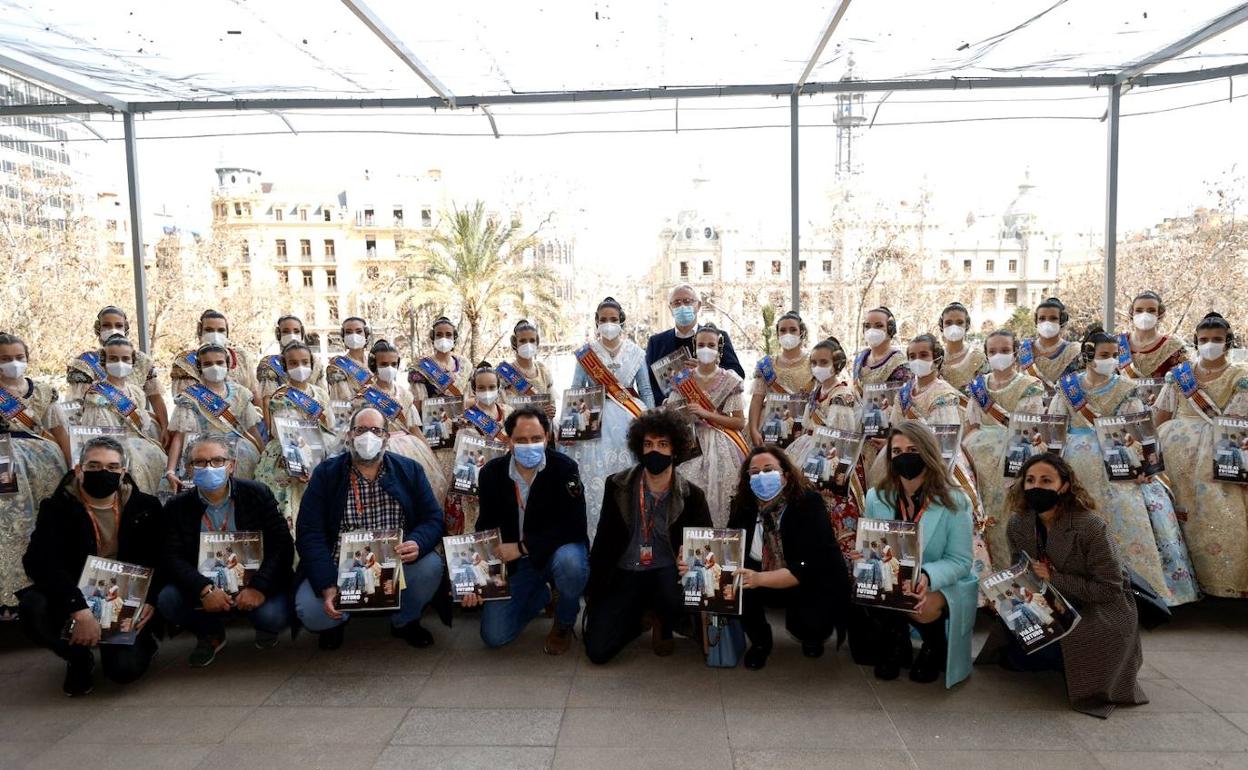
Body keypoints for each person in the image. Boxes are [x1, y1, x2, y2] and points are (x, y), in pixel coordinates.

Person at [976, 454, 1148, 718]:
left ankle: (1076, 664)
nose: (1036, 487)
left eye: (1046, 480)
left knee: (1068, 649)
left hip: (1097, 608)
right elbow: (1020, 570)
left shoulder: (1090, 526)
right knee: (1019, 655)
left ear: (1064, 485)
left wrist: (1054, 578)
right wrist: (1005, 593)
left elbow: (1110, 588)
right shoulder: (1019, 523)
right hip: (1047, 602)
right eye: (1030, 480)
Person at [1048, 327, 1197, 606]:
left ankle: (1135, 591)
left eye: (1115, 355)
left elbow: (1142, 431)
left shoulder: (1127, 389)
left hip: (1117, 462)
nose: (1111, 360)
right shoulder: (1067, 387)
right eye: (1105, 355)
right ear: (1088, 355)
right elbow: (1055, 426)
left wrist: (1144, 465)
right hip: (1073, 462)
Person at [294, 406, 446, 650]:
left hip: (396, 563)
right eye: (361, 430)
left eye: (376, 430)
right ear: (349, 436)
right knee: (311, 611)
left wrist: (418, 541)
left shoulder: (409, 470)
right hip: (339, 566)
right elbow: (309, 532)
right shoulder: (326, 474)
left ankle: (404, 621)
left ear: (386, 437)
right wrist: (327, 584)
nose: (368, 437)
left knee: (430, 566)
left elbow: (433, 518)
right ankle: (335, 621)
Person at [19, 437, 161, 696]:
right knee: (33, 606)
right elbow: (40, 562)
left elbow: (160, 556)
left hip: (124, 598)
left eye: (112, 467)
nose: (103, 473)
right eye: (94, 466)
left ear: (123, 472)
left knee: (123, 671)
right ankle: (77, 656)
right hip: (77, 592)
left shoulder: (146, 506)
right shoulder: (56, 508)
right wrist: (79, 610)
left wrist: (150, 599)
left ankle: (143, 642)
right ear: (78, 470)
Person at [584, 409, 711, 664]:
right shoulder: (617, 485)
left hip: (667, 573)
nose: (655, 451)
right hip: (626, 570)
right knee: (597, 651)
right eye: (648, 444)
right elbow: (604, 541)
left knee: (674, 599)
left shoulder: (692, 495)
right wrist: (595, 591)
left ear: (675, 450)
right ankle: (640, 616)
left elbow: (706, 548)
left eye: (663, 444)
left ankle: (663, 619)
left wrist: (693, 562)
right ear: (639, 448)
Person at [157, 435, 294, 666]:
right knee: (167, 599)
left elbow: (281, 544)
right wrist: (203, 589)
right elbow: (172, 556)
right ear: (189, 470)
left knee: (272, 617)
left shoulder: (257, 494)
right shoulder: (177, 506)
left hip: (255, 582)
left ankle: (262, 624)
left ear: (231, 466)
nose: (209, 467)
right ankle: (209, 632)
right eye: (200, 462)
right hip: (206, 584)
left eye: (217, 461)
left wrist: (259, 587)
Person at [861, 420, 977, 688]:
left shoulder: (955, 501)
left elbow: (961, 561)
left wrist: (926, 575)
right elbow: (873, 546)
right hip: (893, 574)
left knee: (920, 602)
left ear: (928, 452)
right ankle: (896, 643)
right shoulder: (875, 497)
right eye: (897, 451)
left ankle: (934, 646)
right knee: (868, 587)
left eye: (912, 449)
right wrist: (864, 557)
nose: (904, 457)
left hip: (941, 580)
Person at [470, 406, 590, 654]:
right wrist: (479, 577)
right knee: (494, 636)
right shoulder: (491, 473)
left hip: (556, 553)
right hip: (516, 564)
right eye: (521, 440)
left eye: (536, 439)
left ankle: (564, 622)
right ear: (510, 442)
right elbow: (486, 526)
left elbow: (574, 525)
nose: (529, 445)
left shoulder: (564, 468)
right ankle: (541, 596)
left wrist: (524, 547)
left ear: (547, 437)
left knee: (572, 565)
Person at [719, 445, 849, 669]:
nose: (761, 476)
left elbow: (808, 566)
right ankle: (761, 642)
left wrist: (759, 579)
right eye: (755, 472)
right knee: (735, 587)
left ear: (785, 475)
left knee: (811, 624)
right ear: (747, 478)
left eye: (769, 469)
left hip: (807, 580)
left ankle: (812, 636)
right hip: (758, 577)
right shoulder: (742, 507)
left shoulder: (809, 504)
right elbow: (731, 549)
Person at [877, 334, 992, 576]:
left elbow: (945, 438)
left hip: (939, 458)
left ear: (936, 358)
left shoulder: (944, 393)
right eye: (912, 356)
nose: (917, 360)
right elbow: (896, 424)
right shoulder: (905, 392)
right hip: (906, 456)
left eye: (923, 355)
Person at [1155, 312, 1248, 598]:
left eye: (1217, 339)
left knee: (1219, 512)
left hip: (1221, 451)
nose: (1210, 344)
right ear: (1196, 341)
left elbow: (1238, 420)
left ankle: (1220, 582)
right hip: (1173, 453)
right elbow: (1161, 414)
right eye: (1205, 339)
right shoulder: (1179, 375)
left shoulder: (1240, 376)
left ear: (1227, 342)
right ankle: (1180, 583)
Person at [563, 297, 656, 539]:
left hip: (630, 420)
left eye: (613, 319)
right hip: (594, 422)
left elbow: (645, 390)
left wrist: (653, 422)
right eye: (603, 320)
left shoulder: (636, 352)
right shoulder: (586, 354)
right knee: (596, 481)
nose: (608, 324)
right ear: (596, 322)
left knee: (630, 479)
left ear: (621, 322)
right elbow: (576, 388)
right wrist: (570, 426)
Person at [963, 329, 1047, 568]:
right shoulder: (979, 387)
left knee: (1008, 517)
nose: (998, 355)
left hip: (1013, 457)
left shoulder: (1029, 386)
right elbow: (970, 424)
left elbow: (1030, 428)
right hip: (976, 460)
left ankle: (1013, 572)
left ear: (1015, 352)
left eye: (1004, 350)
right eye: (993, 351)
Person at [0, 333, 70, 615]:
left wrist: (72, 465)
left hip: (43, 462)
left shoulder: (43, 391)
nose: (13, 364)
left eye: (19, 357)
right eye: (5, 359)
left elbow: (59, 431)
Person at [781, 336, 863, 555]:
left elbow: (840, 437)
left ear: (836, 364)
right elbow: (808, 424)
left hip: (831, 458)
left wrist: (826, 471)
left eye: (824, 362)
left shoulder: (841, 395)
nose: (818, 367)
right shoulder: (816, 392)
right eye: (814, 362)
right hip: (808, 450)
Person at [664, 323, 748, 526]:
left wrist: (706, 413)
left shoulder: (730, 380)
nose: (705, 349)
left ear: (719, 347)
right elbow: (673, 415)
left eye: (711, 345)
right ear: (694, 346)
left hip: (721, 443)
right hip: (690, 442)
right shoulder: (683, 379)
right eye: (701, 344)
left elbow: (739, 422)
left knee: (720, 498)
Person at [350, 339, 448, 502]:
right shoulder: (365, 396)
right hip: (377, 447)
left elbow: (414, 428)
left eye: (393, 363)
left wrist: (430, 455)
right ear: (374, 365)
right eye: (384, 364)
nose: (389, 368)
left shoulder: (405, 394)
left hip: (410, 448)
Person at [254, 340, 338, 525]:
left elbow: (330, 424)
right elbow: (285, 432)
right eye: (293, 363)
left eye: (304, 362)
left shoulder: (320, 393)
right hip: (290, 455)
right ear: (285, 366)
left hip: (320, 450)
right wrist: (300, 464)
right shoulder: (280, 397)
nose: (300, 367)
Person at [78, 336, 167, 495]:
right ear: (104, 363)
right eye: (113, 358)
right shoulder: (97, 395)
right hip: (116, 448)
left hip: (143, 445)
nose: (120, 363)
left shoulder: (136, 391)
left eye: (125, 359)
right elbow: (101, 434)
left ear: (132, 362)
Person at [165, 343, 265, 486]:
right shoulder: (191, 397)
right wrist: (170, 471)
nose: (214, 367)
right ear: (200, 367)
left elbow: (252, 430)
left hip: (241, 454)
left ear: (227, 364)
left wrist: (264, 456)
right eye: (208, 364)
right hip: (204, 454)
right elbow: (179, 437)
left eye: (219, 362)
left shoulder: (240, 393)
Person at [67, 306, 168, 436]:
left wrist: (165, 427)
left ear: (125, 329)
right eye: (107, 326)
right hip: (100, 428)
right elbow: (77, 409)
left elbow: (156, 398)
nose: (113, 330)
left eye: (118, 325)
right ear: (98, 329)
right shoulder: (85, 363)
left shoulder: (142, 361)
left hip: (137, 429)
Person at [646, 284, 744, 405]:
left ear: (698, 305)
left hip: (711, 411)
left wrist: (710, 370)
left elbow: (738, 373)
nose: (682, 306)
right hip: (669, 415)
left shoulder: (718, 337)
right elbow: (647, 382)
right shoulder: (656, 342)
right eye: (676, 302)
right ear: (670, 308)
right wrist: (664, 402)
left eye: (687, 301)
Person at [445, 363, 513, 534]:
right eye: (481, 387)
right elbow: (461, 458)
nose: (487, 392)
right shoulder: (466, 419)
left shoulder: (509, 412)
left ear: (498, 388)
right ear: (474, 389)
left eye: (491, 387)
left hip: (506, 477)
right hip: (476, 483)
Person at [854, 307, 911, 476]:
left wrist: (893, 439)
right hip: (861, 435)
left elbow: (903, 406)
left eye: (879, 325)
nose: (872, 330)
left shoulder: (899, 363)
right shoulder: (859, 359)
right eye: (868, 326)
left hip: (886, 437)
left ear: (890, 329)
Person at [747, 311, 812, 446]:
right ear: (777, 335)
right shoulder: (767, 365)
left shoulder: (813, 362)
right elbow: (757, 400)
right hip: (771, 427)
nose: (787, 334)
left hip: (803, 427)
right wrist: (753, 429)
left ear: (802, 333)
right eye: (783, 330)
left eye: (793, 330)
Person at [170, 310, 260, 405]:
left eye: (221, 330)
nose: (215, 335)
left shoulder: (242, 357)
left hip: (246, 416)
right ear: (200, 332)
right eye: (209, 330)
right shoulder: (186, 363)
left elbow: (255, 394)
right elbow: (187, 401)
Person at [1118, 291, 1188, 384]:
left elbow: (1185, 384)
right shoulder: (1116, 343)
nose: (1144, 314)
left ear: (1160, 314)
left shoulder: (1173, 347)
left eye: (1151, 310)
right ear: (1132, 313)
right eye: (1139, 310)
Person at [499, 319, 559, 422]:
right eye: (522, 341)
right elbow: (502, 408)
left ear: (537, 342)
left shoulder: (543, 370)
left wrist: (551, 410)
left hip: (542, 429)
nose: (528, 344)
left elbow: (551, 402)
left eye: (532, 340)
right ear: (515, 343)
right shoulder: (504, 373)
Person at [1022, 297, 1081, 398]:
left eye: (1053, 318)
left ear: (1062, 321)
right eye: (1042, 318)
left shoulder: (1074, 352)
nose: (1047, 322)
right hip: (1028, 411)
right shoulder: (1023, 351)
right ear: (1036, 321)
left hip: (1062, 410)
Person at [257, 315, 326, 398]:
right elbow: (267, 399)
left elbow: (322, 394)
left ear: (302, 333)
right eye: (286, 331)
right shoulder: (269, 364)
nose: (292, 335)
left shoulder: (316, 362)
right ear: (278, 334)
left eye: (296, 331)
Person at [935, 302, 986, 397]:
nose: (954, 327)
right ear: (942, 325)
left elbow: (986, 396)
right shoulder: (935, 357)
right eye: (948, 323)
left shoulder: (977, 358)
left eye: (959, 322)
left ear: (967, 325)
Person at [327, 316, 374, 401]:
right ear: (343, 337)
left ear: (366, 335)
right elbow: (344, 401)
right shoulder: (337, 367)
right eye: (348, 332)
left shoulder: (374, 363)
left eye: (359, 331)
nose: (354, 335)